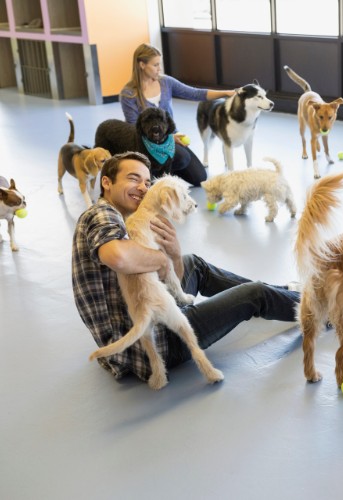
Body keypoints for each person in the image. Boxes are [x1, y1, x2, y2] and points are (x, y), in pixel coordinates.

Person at [72, 152, 300, 384]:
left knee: (194, 264)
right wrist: (162, 260)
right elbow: (117, 257)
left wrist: (173, 255)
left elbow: (169, 283)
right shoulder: (101, 214)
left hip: (154, 310)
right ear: (107, 182)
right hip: (154, 342)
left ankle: (283, 291)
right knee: (254, 294)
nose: (142, 187)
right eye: (133, 178)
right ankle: (316, 308)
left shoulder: (130, 220)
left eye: (147, 182)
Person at [120, 43, 237, 187]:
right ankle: (156, 173)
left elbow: (195, 93)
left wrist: (226, 93)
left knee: (200, 177)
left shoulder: (166, 82)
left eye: (159, 64)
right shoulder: (129, 94)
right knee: (181, 157)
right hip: (147, 145)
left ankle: (163, 172)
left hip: (169, 139)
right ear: (142, 65)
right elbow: (133, 127)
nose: (159, 69)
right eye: (155, 65)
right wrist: (170, 137)